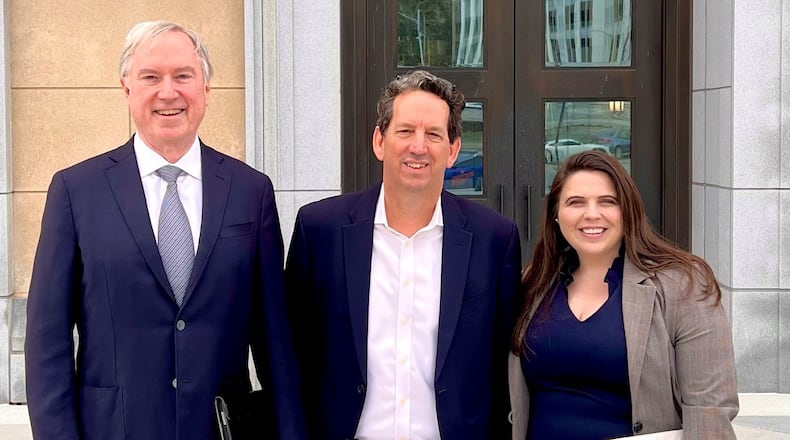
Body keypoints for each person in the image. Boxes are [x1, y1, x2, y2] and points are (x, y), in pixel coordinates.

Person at [25, 21, 304, 439]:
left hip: (220, 428)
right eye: (151, 77)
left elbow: (275, 342)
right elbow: (47, 342)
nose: (168, 92)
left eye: (183, 76)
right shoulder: (75, 191)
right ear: (127, 90)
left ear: (206, 90)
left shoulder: (251, 192)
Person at [285, 70, 522, 439]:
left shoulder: (494, 239)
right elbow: (292, 354)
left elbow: (503, 366)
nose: (418, 146)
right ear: (379, 141)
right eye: (405, 131)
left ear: (453, 150)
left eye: (433, 135)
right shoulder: (320, 230)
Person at [509, 150, 739, 439]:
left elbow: (709, 408)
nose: (591, 214)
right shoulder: (533, 282)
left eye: (608, 201)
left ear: (627, 210)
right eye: (575, 202)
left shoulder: (683, 285)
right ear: (556, 214)